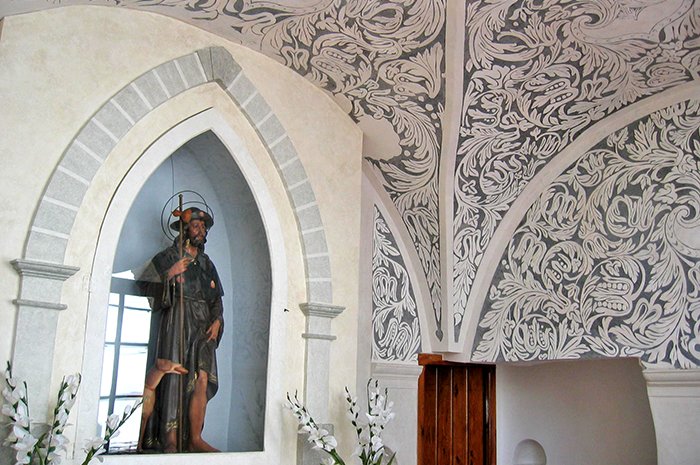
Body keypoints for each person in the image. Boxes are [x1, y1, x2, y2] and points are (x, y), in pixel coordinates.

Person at [138, 207, 223, 453]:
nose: (201, 231)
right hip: (177, 319)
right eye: (196, 226)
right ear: (184, 229)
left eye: (203, 227)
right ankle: (170, 439)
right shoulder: (167, 257)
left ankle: (195, 438)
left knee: (202, 376)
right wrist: (170, 274)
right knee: (174, 375)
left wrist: (217, 320)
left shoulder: (207, 263)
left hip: (203, 324)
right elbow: (143, 286)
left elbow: (217, 299)